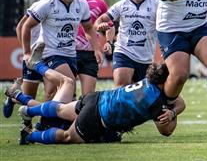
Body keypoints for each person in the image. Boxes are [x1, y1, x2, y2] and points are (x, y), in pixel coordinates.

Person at [6, 56, 185, 144]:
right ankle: (29, 135)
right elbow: (167, 131)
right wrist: (171, 114)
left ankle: (23, 104)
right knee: (68, 137)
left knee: (60, 109)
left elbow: (179, 102)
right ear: (167, 81)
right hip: (97, 117)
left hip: (97, 98)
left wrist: (173, 110)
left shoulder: (149, 83)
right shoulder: (155, 101)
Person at [21, 0, 103, 104]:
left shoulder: (81, 4)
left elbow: (88, 28)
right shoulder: (47, 4)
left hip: (70, 54)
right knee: (69, 84)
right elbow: (26, 26)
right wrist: (26, 52)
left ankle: (39, 118)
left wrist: (97, 49)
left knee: (54, 93)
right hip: (50, 53)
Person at [3, 0, 60, 119]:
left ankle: (43, 126)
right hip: (34, 56)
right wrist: (26, 52)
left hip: (52, 55)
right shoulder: (40, 5)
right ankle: (13, 97)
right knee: (28, 97)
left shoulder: (65, 7)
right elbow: (20, 27)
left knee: (51, 94)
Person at [95, 0, 158, 87]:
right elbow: (100, 20)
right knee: (121, 87)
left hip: (146, 57)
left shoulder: (156, 4)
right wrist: (100, 25)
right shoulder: (121, 5)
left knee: (143, 96)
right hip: (124, 52)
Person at [73, 0, 110, 95]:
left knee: (88, 98)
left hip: (90, 53)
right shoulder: (66, 2)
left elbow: (110, 25)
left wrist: (108, 42)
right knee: (66, 96)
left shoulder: (99, 2)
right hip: (69, 52)